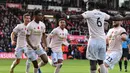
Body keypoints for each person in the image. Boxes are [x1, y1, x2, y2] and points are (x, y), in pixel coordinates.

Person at [61, 2, 130, 73]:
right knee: (101, 63)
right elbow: (113, 18)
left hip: (94, 40)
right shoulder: (102, 14)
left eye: (87, 5)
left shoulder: (89, 13)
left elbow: (78, 16)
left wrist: (67, 17)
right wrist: (126, 17)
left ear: (90, 6)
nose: (86, 7)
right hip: (102, 41)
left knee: (93, 63)